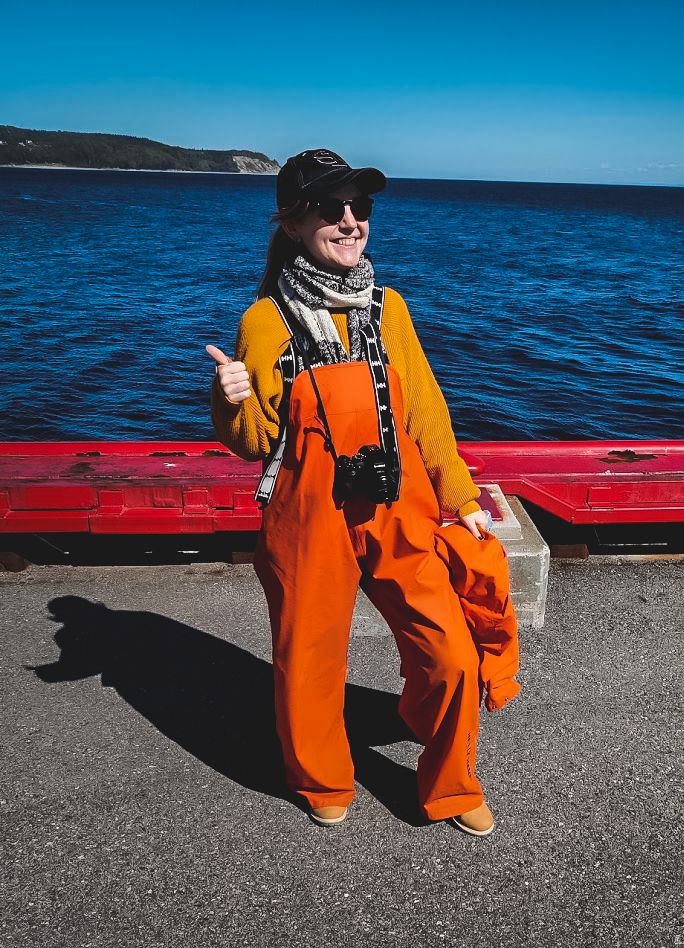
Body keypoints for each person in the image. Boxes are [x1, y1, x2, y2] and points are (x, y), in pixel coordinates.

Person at [206, 148, 505, 836]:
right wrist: (231, 399)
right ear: (291, 223)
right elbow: (255, 440)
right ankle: (321, 776)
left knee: (451, 651)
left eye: (360, 207)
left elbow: (426, 412)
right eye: (330, 208)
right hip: (309, 512)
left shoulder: (389, 307)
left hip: (399, 506)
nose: (349, 221)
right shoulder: (265, 321)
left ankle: (453, 785)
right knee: (308, 655)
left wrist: (461, 497)